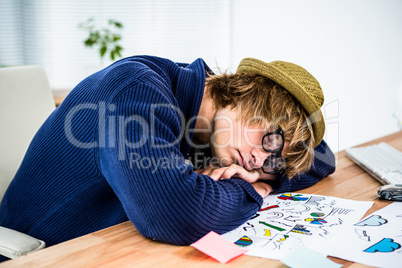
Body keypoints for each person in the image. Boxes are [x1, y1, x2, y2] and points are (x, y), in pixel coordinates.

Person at [0, 56, 335, 254]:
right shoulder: (135, 92)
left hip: (117, 248)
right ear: (243, 93)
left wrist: (270, 169)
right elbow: (176, 214)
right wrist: (253, 191)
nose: (257, 164)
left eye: (272, 162)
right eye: (268, 141)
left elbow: (323, 158)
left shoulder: (219, 123)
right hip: (44, 255)